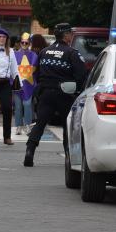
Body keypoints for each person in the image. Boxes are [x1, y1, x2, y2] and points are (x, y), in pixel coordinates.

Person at [24, 23, 87, 167]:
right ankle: (68, 156)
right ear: (65, 36)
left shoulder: (44, 51)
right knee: (68, 125)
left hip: (45, 93)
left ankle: (29, 151)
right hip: (65, 94)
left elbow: (37, 73)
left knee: (40, 124)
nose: (71, 36)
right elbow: (81, 74)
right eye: (70, 34)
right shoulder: (72, 53)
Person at [14, 33, 38, 135]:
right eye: (22, 42)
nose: (24, 44)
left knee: (27, 104)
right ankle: (18, 126)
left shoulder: (34, 55)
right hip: (17, 84)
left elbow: (33, 68)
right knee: (18, 106)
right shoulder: (14, 54)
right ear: (20, 43)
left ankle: (27, 125)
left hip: (28, 84)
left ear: (29, 43)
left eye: (26, 42)